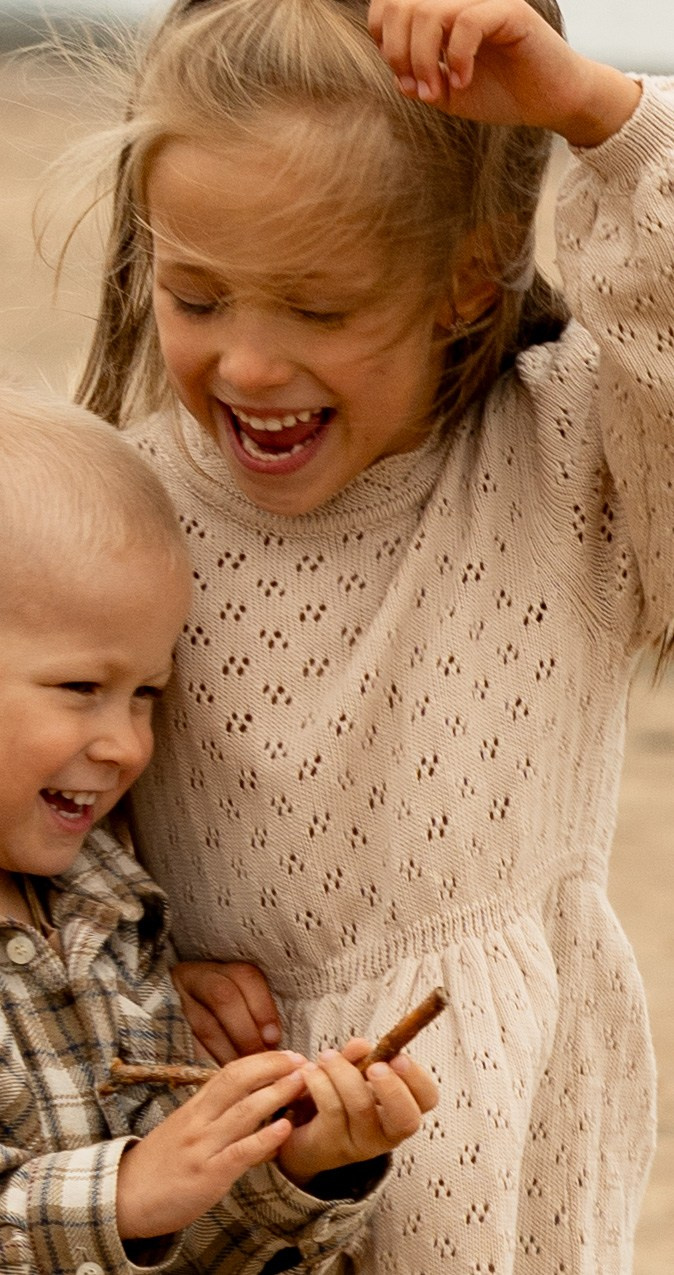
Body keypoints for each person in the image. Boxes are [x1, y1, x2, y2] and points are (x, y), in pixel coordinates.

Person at [53, 0, 674, 1269]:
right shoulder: (114, 508)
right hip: (218, 1138)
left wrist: (595, 116)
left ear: (466, 278)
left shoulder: (565, 457)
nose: (247, 365)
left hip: (500, 1164)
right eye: (197, 296)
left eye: (318, 310)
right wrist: (134, 972)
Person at [0, 370, 440, 1275]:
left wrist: (290, 1169)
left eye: (147, 693)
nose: (126, 744)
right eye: (81, 687)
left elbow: (168, 1242)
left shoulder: (108, 904)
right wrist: (123, 1193)